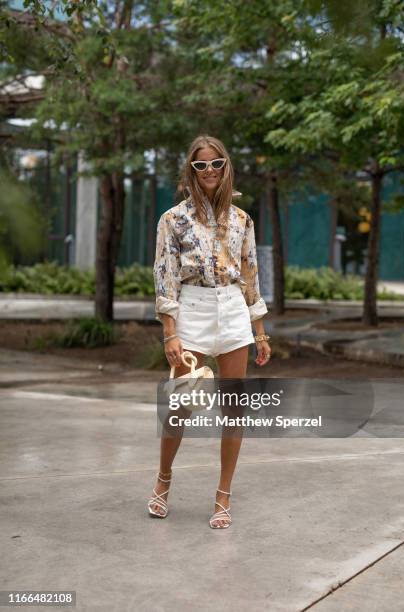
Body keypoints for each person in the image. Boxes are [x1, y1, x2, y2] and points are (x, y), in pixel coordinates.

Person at [148, 134, 271, 529]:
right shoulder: (172, 220)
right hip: (193, 309)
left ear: (225, 166)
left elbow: (250, 274)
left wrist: (261, 331)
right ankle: (163, 481)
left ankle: (223, 496)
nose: (209, 172)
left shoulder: (242, 220)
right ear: (191, 171)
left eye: (215, 164)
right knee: (180, 406)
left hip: (233, 310)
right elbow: (165, 277)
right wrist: (170, 331)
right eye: (201, 165)